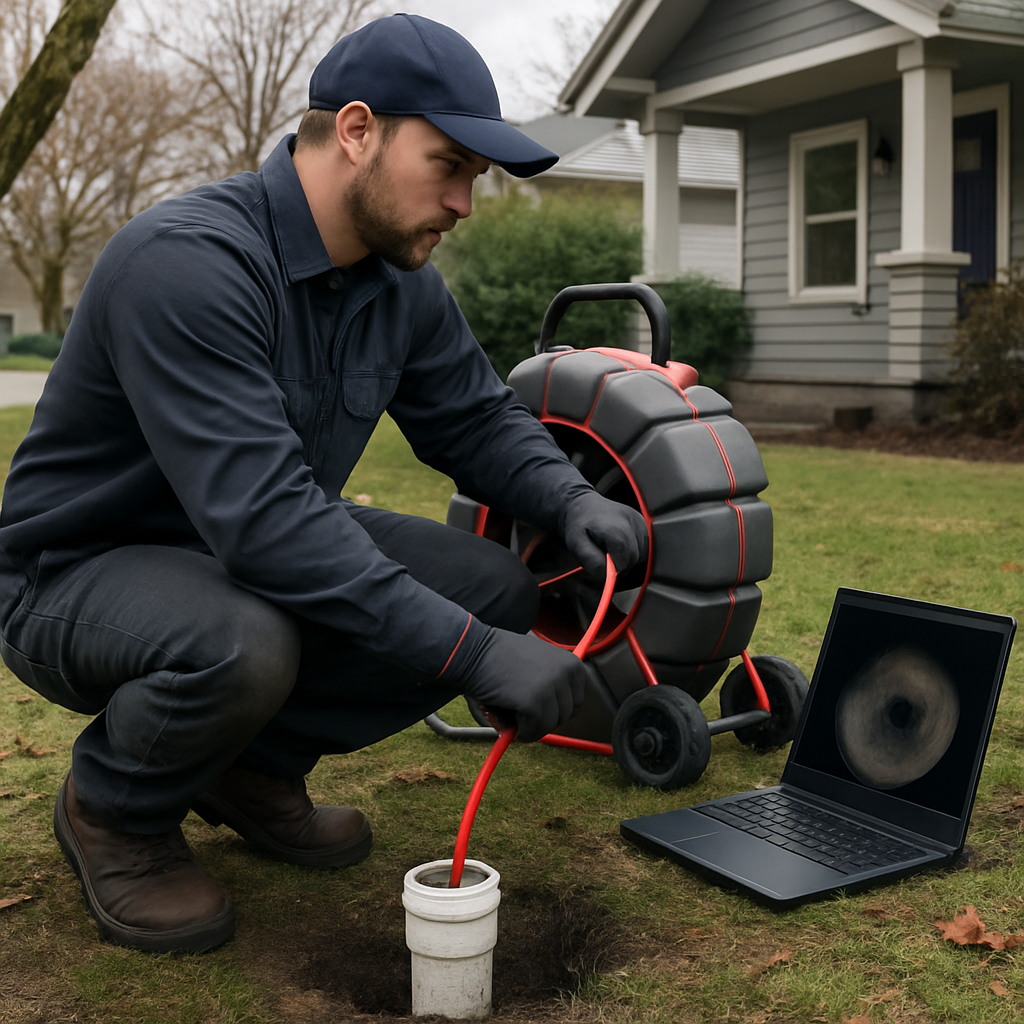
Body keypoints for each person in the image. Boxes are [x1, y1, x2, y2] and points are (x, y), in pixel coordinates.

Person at [0, 14, 647, 954]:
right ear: (356, 131)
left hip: (241, 554)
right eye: (451, 165)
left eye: (475, 177)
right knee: (244, 639)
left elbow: (472, 416)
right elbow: (269, 527)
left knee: (493, 589)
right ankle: (114, 812)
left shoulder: (398, 280)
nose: (466, 201)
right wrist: (472, 661)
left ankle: (248, 770)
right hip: (78, 575)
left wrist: (570, 498)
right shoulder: (189, 263)